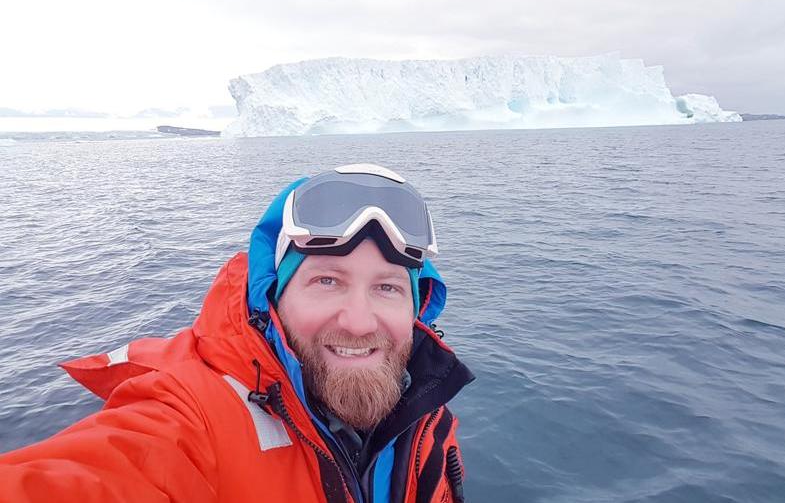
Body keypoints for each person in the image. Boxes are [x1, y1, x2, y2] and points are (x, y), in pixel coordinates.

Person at [0, 163, 475, 503]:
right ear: (271, 299)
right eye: (326, 281)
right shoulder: (192, 418)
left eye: (388, 287)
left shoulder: (424, 412)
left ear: (417, 308)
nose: (358, 320)